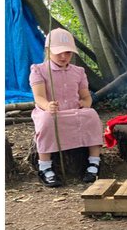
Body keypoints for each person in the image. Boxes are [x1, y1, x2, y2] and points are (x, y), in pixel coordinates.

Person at [30, 28, 104, 187]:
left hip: (74, 112)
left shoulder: (78, 71)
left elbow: (86, 96)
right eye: (59, 52)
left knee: (91, 115)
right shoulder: (39, 70)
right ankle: (45, 166)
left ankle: (94, 162)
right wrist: (47, 106)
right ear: (48, 50)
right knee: (47, 120)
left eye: (68, 53)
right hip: (51, 113)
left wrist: (86, 104)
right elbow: (39, 97)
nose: (64, 57)